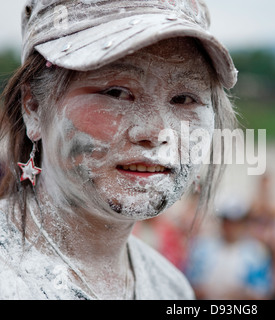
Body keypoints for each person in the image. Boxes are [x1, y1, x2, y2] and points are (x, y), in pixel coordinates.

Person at [0, 0, 238, 300]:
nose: (154, 132)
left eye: (183, 99)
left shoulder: (170, 289)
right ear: (33, 107)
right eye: (116, 92)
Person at [185, 198, 274, 300]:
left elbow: (263, 292)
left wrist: (241, 294)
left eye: (236, 222)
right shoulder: (202, 248)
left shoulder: (256, 254)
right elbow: (190, 284)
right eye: (227, 221)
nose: (231, 227)